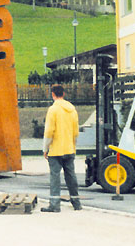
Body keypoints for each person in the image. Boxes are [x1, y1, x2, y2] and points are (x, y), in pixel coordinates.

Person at [41, 84, 82, 212]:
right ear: (63, 94)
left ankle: (54, 204)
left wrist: (45, 148)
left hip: (56, 150)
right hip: (69, 148)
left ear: (52, 94)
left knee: (55, 176)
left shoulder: (53, 110)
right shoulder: (72, 109)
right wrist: (73, 146)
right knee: (71, 175)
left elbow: (49, 131)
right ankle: (76, 203)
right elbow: (76, 132)